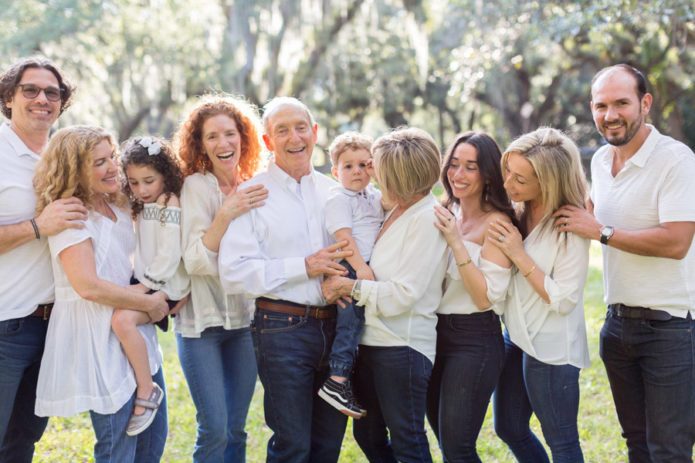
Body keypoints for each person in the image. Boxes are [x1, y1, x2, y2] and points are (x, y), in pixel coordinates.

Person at [555, 64, 695, 462]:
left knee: (668, 450)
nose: (610, 115)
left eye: (621, 103)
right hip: (617, 328)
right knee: (636, 443)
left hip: (670, 330)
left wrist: (600, 231)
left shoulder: (676, 160)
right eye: (601, 105)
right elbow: (590, 211)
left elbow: (677, 241)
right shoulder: (600, 160)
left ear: (645, 103)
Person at [218, 97, 351, 462]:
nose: (294, 137)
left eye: (301, 127)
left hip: (337, 332)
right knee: (293, 445)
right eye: (282, 130)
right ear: (266, 141)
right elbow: (233, 272)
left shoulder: (335, 192)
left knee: (327, 446)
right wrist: (303, 267)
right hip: (281, 329)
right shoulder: (252, 194)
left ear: (315, 133)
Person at [33, 125, 171, 463]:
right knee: (118, 446)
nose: (112, 167)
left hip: (133, 330)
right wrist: (149, 303)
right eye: (98, 162)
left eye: (112, 157)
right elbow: (88, 286)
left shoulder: (119, 206)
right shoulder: (71, 214)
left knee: (152, 444)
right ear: (74, 170)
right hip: (98, 337)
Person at [321, 127, 448, 463]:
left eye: (374, 165)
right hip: (371, 341)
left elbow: (404, 294)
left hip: (402, 347)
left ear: (399, 174)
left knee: (407, 439)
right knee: (368, 435)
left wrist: (349, 287)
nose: (368, 171)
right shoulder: (389, 207)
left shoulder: (426, 219)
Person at [0, 56, 86, 463]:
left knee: (23, 442)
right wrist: (37, 226)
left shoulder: (66, 157)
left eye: (52, 92)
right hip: (5, 323)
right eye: (30, 90)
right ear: (8, 98)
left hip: (56, 326)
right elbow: (46, 226)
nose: (42, 99)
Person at [173, 94, 268, 463]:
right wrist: (226, 214)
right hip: (202, 325)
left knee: (236, 428)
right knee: (213, 428)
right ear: (200, 144)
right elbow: (196, 261)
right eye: (212, 136)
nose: (223, 143)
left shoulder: (259, 185)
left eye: (230, 133)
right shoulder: (195, 187)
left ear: (244, 137)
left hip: (247, 323)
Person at [489, 127, 590, 463]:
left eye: (519, 179)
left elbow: (563, 300)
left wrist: (519, 254)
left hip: (551, 348)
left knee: (561, 440)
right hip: (515, 335)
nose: (507, 184)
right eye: (508, 172)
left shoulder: (569, 226)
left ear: (547, 181)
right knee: (509, 427)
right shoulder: (518, 210)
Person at [425, 131, 514, 462]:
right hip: (432, 335)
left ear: (488, 173)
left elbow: (484, 298)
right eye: (454, 164)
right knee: (447, 444)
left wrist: (456, 241)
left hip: (474, 339)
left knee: (458, 449)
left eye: (470, 167)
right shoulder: (446, 209)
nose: (457, 175)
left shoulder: (498, 224)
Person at [113, 136, 190, 436]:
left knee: (122, 319)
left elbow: (170, 254)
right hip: (146, 280)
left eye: (149, 180)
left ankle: (148, 390)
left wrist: (143, 289)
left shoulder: (168, 201)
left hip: (167, 284)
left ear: (165, 176)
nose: (141, 190)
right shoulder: (142, 205)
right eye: (133, 183)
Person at [318, 131, 385, 419]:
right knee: (351, 322)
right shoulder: (338, 198)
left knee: (360, 324)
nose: (357, 171)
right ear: (335, 172)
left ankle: (349, 376)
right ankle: (338, 380)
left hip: (366, 265)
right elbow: (343, 238)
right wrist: (360, 269)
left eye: (364, 164)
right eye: (348, 166)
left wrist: (379, 176)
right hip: (351, 264)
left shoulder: (373, 194)